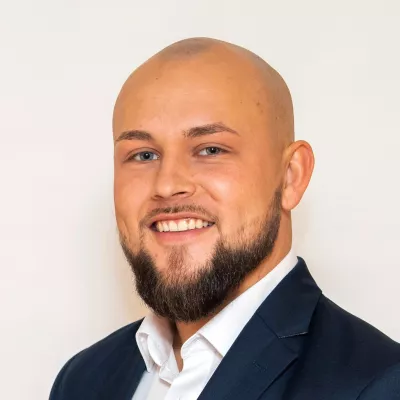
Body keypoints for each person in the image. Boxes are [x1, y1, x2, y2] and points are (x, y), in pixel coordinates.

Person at [50, 37, 400, 400]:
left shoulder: (380, 385)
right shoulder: (82, 380)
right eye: (143, 155)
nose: (167, 185)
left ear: (290, 176)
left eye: (210, 149)